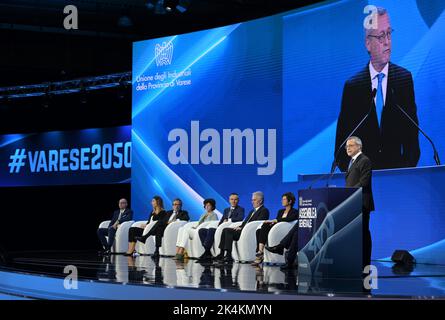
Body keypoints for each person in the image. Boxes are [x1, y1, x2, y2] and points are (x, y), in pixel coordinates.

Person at [335, 7, 420, 172]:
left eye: (389, 33)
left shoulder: (404, 79)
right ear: (368, 43)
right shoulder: (353, 87)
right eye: (381, 36)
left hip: (398, 183)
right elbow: (341, 147)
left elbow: (412, 142)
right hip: (362, 185)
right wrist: (356, 177)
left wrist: (402, 175)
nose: (387, 41)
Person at [214, 191, 270, 264]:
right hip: (243, 230)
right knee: (225, 230)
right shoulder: (252, 211)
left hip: (250, 232)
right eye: (252, 200)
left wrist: (243, 228)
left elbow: (257, 223)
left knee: (228, 231)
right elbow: (245, 222)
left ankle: (228, 255)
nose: (252, 202)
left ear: (260, 201)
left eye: (254, 200)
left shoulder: (264, 210)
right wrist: (240, 226)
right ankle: (222, 253)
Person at [344, 136, 374, 268]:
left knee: (363, 233)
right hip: (353, 202)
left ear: (359, 146)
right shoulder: (351, 161)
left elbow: (364, 182)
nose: (348, 148)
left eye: (350, 145)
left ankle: (365, 264)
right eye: (347, 146)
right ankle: (356, 261)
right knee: (355, 234)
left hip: (362, 202)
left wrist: (349, 193)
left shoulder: (364, 160)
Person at [251, 192, 298, 266]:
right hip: (277, 227)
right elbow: (277, 219)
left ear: (290, 201)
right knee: (262, 228)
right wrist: (273, 222)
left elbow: (289, 219)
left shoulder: (295, 212)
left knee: (265, 227)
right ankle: (260, 251)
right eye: (282, 199)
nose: (282, 201)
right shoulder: (280, 211)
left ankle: (260, 254)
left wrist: (276, 221)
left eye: (284, 199)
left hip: (285, 229)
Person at [196, 193, 245, 262]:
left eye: (235, 199)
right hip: (221, 227)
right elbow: (221, 220)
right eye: (232, 199)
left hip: (230, 227)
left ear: (238, 200)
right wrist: (219, 225)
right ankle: (207, 251)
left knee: (211, 230)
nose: (233, 201)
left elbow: (240, 218)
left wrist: (229, 220)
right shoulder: (226, 210)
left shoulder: (240, 209)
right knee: (202, 230)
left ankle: (207, 253)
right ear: (229, 200)